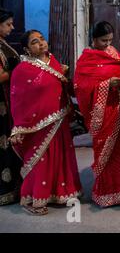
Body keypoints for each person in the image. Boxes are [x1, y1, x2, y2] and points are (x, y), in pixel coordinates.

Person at [10, 30, 81, 215]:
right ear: (27, 48)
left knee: (61, 156)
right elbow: (18, 101)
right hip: (37, 124)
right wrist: (19, 127)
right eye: (34, 42)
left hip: (59, 119)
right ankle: (33, 198)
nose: (41, 43)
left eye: (41, 39)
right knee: (40, 159)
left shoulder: (53, 61)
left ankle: (59, 193)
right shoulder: (22, 70)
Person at [74, 21, 120, 207]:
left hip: (118, 108)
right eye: (103, 40)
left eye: (110, 40)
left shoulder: (113, 52)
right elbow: (81, 89)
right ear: (94, 39)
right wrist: (107, 84)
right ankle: (106, 192)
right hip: (102, 112)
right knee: (105, 151)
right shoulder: (86, 60)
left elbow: (119, 68)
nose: (107, 44)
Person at [0, 8, 22, 205]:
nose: (12, 27)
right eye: (8, 24)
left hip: (6, 103)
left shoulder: (3, 44)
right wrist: (15, 69)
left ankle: (12, 189)